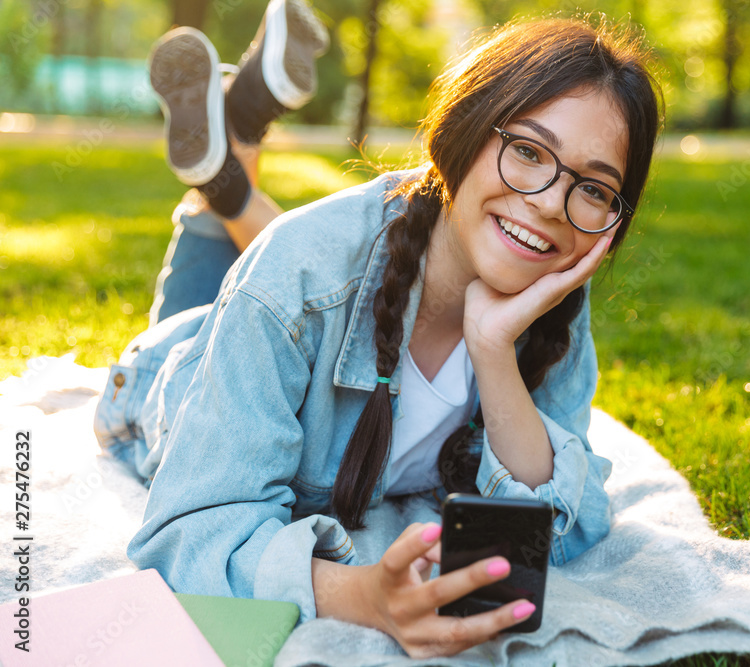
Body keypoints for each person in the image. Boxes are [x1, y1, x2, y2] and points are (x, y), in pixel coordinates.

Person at [94, 0, 661, 657]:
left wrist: (494, 350)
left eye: (595, 189)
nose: (550, 205)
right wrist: (362, 596)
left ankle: (235, 152)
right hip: (168, 378)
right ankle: (223, 177)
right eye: (529, 150)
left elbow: (561, 527)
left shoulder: (550, 286)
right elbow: (187, 536)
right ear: (468, 129)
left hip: (286, 290)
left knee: (288, 265)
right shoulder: (294, 276)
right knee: (269, 278)